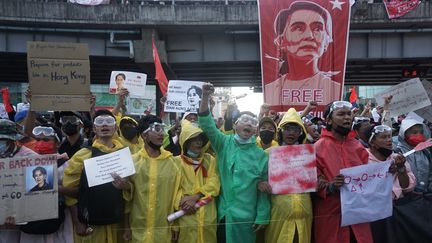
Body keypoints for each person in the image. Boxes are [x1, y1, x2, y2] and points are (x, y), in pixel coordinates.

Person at [198, 83, 270, 243]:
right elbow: (206, 124)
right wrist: (205, 96)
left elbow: (264, 190)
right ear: (236, 125)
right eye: (244, 120)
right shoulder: (224, 143)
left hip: (248, 217)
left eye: (253, 122)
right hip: (225, 213)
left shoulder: (261, 156)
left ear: (255, 131)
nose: (249, 124)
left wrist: (263, 215)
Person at [63, 110, 129, 243]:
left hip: (116, 223)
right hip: (91, 224)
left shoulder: (124, 155)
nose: (104, 125)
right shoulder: (82, 155)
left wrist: (126, 185)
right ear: (94, 128)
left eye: (109, 122)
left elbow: (129, 194)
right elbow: (70, 193)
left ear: (115, 128)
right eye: (99, 122)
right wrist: (77, 222)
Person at [314, 101, 373, 243]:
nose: (347, 118)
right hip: (331, 217)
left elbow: (370, 176)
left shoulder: (357, 146)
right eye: (341, 114)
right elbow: (313, 182)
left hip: (358, 216)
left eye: (349, 114)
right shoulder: (318, 147)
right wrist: (330, 186)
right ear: (328, 120)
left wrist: (388, 170)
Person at [265, 1, 341, 106]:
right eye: (298, 28)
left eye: (317, 29)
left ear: (326, 42)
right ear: (281, 41)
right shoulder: (270, 90)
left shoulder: (335, 89)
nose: (309, 36)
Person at [122, 115, 183, 243]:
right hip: (138, 231)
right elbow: (127, 202)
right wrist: (126, 227)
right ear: (144, 135)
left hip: (164, 232)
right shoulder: (132, 162)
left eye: (162, 129)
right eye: (156, 129)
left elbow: (177, 194)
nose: (161, 133)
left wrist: (175, 226)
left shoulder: (174, 163)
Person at [261, 108, 313, 243]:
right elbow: (257, 178)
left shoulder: (307, 155)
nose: (292, 133)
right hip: (278, 213)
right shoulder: (269, 153)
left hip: (304, 211)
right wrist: (260, 183)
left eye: (296, 129)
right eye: (288, 128)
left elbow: (313, 179)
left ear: (301, 132)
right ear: (280, 131)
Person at [366, 124, 416, 243]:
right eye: (383, 137)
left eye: (389, 136)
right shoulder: (362, 158)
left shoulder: (397, 158)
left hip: (396, 213)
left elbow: (407, 187)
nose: (389, 140)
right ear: (372, 142)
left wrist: (401, 169)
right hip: (373, 215)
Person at [176, 120, 220, 243]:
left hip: (207, 217)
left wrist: (195, 196)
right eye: (194, 139)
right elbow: (172, 189)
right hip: (185, 215)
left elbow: (214, 183)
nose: (199, 142)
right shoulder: (175, 162)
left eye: (200, 139)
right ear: (186, 141)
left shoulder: (210, 160)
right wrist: (184, 201)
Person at [0, 119, 38, 243]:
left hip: (16, 221)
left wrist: (17, 212)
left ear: (13, 139)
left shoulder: (30, 158)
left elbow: (38, 189)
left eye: (3, 140)